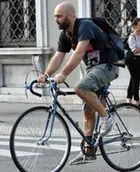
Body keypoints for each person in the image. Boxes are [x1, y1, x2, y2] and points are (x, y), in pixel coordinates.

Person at [37, 2, 119, 165]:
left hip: (107, 66)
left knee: (80, 88)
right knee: (87, 111)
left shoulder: (85, 26)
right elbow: (59, 56)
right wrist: (46, 74)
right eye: (55, 16)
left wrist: (64, 74)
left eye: (59, 16)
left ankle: (107, 118)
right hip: (93, 69)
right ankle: (89, 151)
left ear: (71, 16)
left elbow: (80, 51)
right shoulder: (66, 34)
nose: (56, 20)